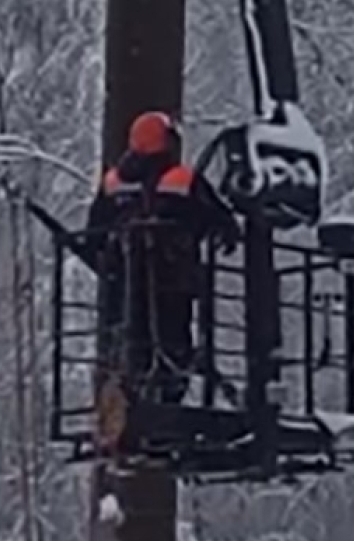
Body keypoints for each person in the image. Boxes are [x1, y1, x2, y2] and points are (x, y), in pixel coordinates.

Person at [83, 111, 240, 405]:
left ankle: (130, 391)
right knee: (173, 345)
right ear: (165, 141)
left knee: (127, 343)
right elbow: (222, 221)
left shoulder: (113, 183)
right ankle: (168, 390)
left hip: (124, 286)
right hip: (171, 282)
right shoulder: (183, 180)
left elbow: (93, 235)